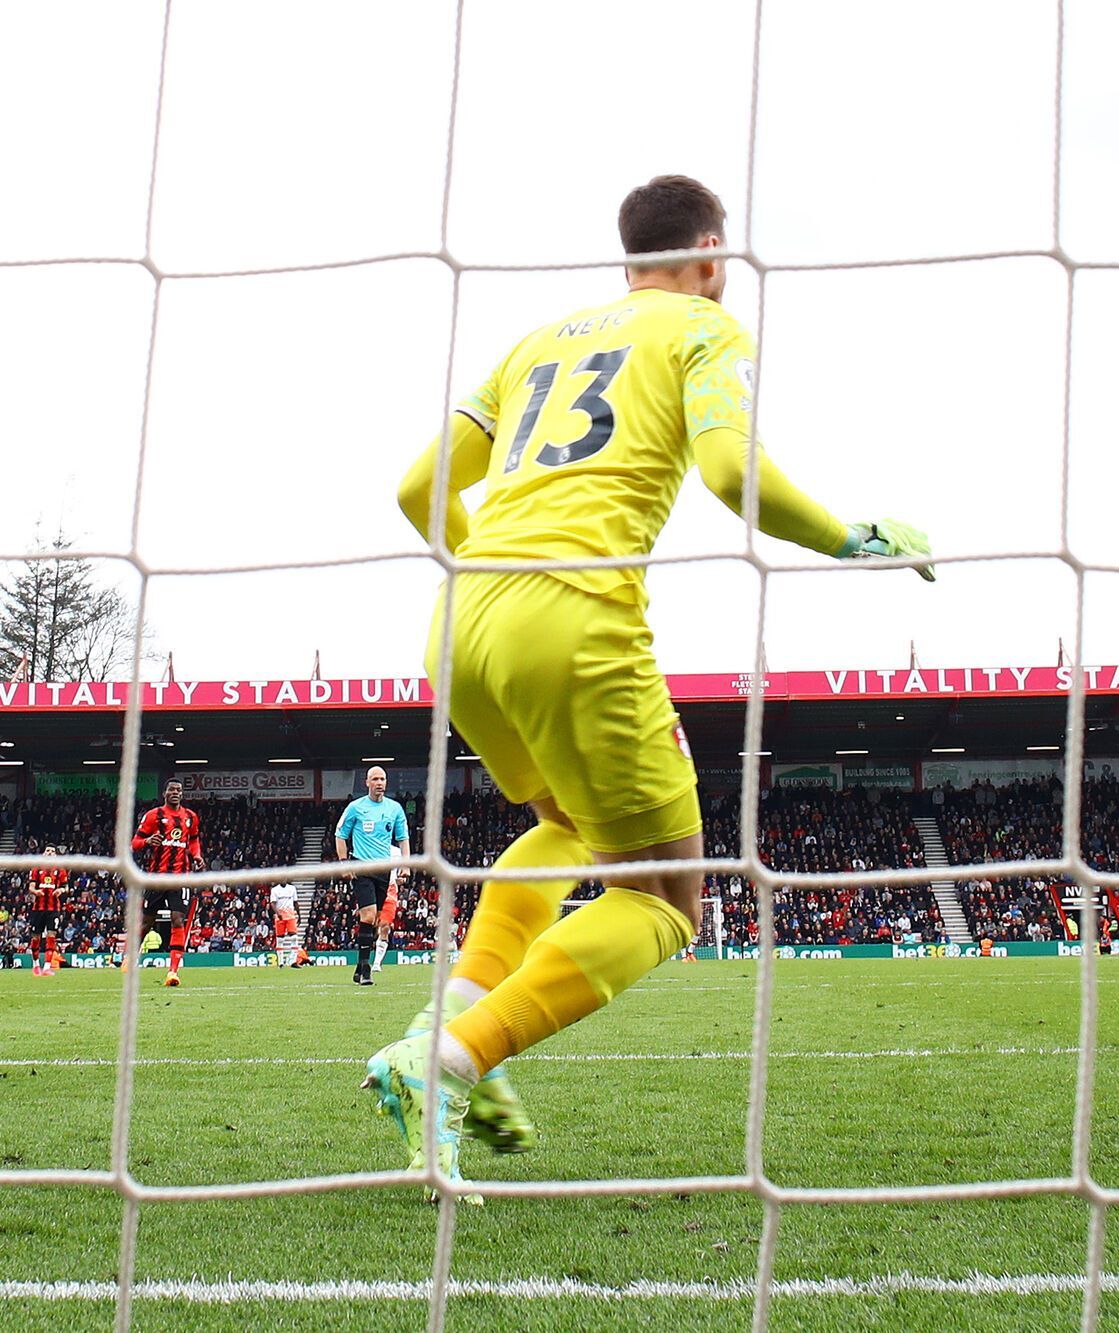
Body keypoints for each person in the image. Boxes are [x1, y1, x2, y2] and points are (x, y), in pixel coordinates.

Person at [365, 173, 934, 1198]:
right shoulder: (702, 331)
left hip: (460, 621)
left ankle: (433, 1018)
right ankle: (450, 1059)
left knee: (564, 823)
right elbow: (729, 474)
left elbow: (417, 491)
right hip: (571, 617)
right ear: (710, 252)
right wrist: (856, 539)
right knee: (669, 897)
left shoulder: (536, 342)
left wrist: (495, 569)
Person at [335, 767, 410, 987]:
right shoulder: (356, 808)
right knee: (367, 916)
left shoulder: (394, 809)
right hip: (362, 866)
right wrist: (343, 863)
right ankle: (367, 970)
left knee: (376, 920)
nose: (379, 782)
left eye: (383, 779)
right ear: (367, 782)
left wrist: (406, 864)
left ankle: (360, 966)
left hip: (384, 869)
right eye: (375, 779)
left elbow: (403, 838)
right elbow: (340, 835)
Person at [132, 779, 205, 987]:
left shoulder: (191, 817)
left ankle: (173, 971)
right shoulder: (153, 815)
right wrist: (147, 841)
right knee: (146, 922)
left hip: (181, 877)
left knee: (178, 919)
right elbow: (135, 843)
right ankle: (131, 957)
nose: (176, 793)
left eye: (179, 790)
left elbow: (193, 840)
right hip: (157, 877)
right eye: (172, 789)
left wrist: (197, 855)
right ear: (165, 793)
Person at [28, 849, 68, 976]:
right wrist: (36, 892)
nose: (50, 853)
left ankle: (47, 967)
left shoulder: (60, 869)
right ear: (43, 854)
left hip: (53, 909)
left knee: (51, 936)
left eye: (52, 851)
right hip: (38, 909)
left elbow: (66, 887)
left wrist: (60, 890)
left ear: (55, 855)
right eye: (47, 851)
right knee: (35, 938)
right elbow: (31, 887)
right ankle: (36, 965)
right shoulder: (36, 868)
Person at [271, 880, 305, 968]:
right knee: (280, 940)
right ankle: (281, 962)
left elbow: (295, 902)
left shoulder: (292, 888)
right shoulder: (275, 890)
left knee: (294, 938)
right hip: (280, 917)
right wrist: (278, 914)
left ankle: (293, 961)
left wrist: (299, 914)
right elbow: (273, 904)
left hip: (290, 916)